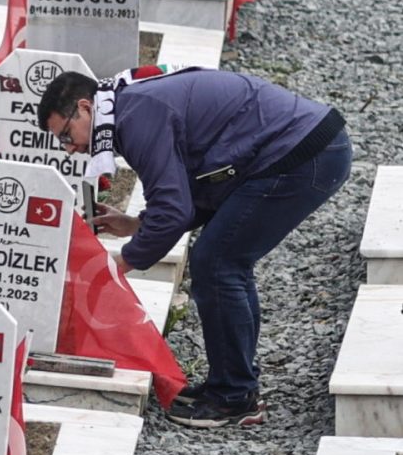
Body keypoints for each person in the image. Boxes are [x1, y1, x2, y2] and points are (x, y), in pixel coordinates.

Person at [37, 65, 351, 427]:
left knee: (217, 263)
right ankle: (235, 386)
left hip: (303, 153)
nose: (70, 148)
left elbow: (174, 209)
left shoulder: (135, 116)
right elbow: (193, 186)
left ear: (86, 107)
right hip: (301, 148)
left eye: (65, 134)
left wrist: (119, 264)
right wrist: (137, 225)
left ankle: (233, 397)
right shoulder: (127, 106)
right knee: (223, 260)